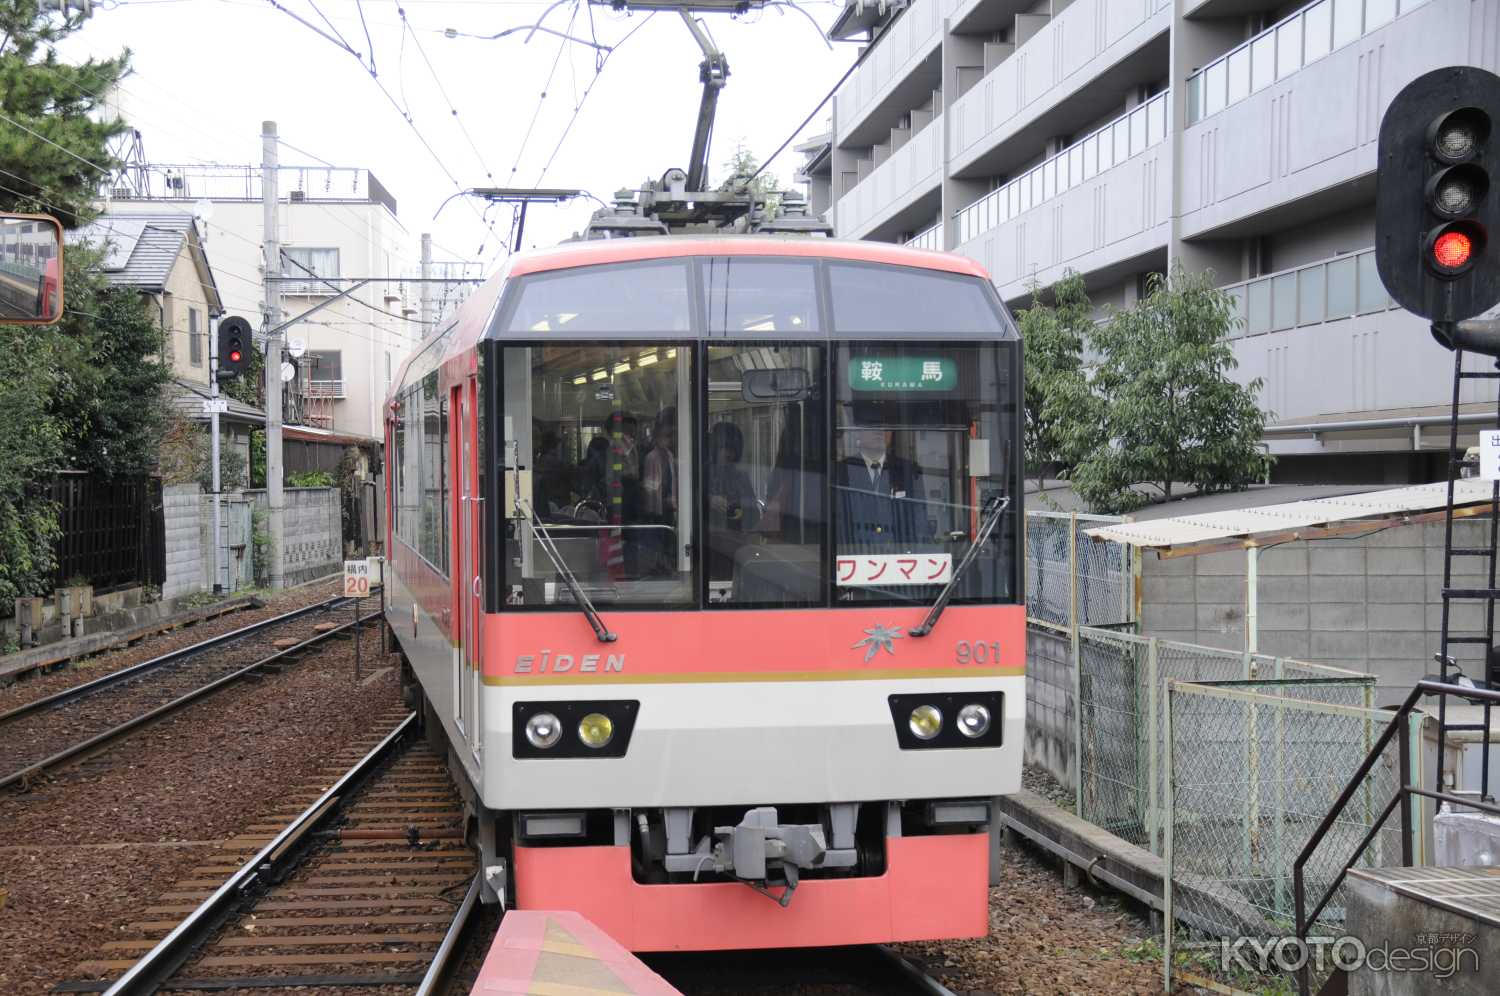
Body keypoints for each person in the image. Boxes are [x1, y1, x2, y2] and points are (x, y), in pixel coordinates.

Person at [834, 425, 921, 548]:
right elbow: (837, 519)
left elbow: (919, 518)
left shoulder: (907, 470)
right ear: (858, 433)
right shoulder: (842, 470)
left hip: (899, 554)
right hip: (855, 551)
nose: (879, 432)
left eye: (885, 427)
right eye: (872, 426)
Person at [707, 421, 759, 581]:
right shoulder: (703, 473)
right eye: (725, 449)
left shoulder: (741, 476)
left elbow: (754, 514)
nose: (729, 454)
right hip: (710, 544)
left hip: (737, 544)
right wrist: (708, 500)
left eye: (733, 450)